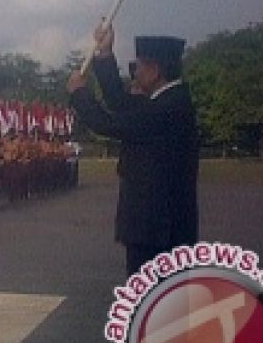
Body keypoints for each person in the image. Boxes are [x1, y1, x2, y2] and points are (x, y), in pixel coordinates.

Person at [68, 24, 199, 275]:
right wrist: (105, 54)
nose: (134, 73)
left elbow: (107, 123)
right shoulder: (166, 101)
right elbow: (119, 102)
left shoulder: (167, 109)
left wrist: (79, 93)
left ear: (155, 69)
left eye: (136, 66)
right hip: (157, 225)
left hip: (158, 228)